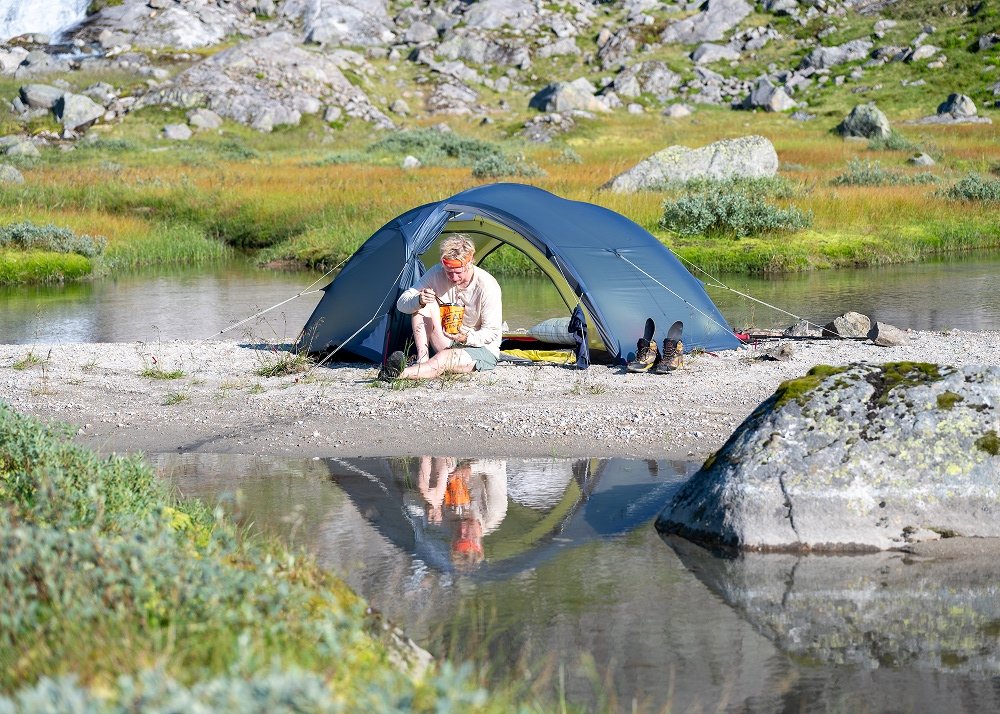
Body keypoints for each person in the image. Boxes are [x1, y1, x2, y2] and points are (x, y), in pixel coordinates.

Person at [379, 234, 502, 381]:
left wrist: (465, 338)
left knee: (443, 359)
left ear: (470, 263)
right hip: (447, 340)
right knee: (424, 304)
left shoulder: (487, 285)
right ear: (443, 264)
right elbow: (402, 304)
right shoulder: (436, 273)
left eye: (458, 272)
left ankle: (396, 374)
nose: (454, 278)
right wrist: (419, 299)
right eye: (449, 272)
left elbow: (492, 332)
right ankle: (422, 359)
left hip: (481, 348)